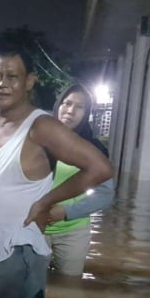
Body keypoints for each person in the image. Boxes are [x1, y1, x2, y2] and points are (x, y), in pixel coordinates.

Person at [0, 47, 112, 298]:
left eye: (12, 76)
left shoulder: (41, 127)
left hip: (14, 257)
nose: (2, 84)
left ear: (30, 81)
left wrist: (46, 201)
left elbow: (101, 168)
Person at [44, 84, 115, 276]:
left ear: (87, 113)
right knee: (30, 289)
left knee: (69, 294)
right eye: (67, 103)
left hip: (72, 232)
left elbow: (105, 194)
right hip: (34, 228)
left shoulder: (93, 149)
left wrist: (67, 211)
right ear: (58, 105)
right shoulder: (37, 140)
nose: (70, 110)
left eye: (79, 107)